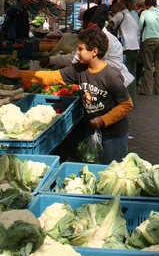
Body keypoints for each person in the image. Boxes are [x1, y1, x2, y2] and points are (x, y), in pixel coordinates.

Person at [0, 29, 133, 163]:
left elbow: (127, 104)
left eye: (80, 49)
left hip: (114, 135)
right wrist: (21, 74)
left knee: (111, 168)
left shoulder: (111, 75)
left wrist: (104, 120)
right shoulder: (78, 70)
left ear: (94, 51)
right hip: (92, 131)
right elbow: (52, 77)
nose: (77, 53)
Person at [108, 0, 140, 103]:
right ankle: (133, 101)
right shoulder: (130, 16)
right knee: (132, 75)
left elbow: (111, 23)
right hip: (135, 48)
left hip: (127, 49)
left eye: (113, 12)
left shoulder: (121, 14)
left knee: (126, 76)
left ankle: (127, 102)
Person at [139, 0, 159, 96]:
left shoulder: (145, 13)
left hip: (149, 40)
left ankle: (147, 90)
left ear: (146, 5)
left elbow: (140, 26)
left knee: (148, 66)